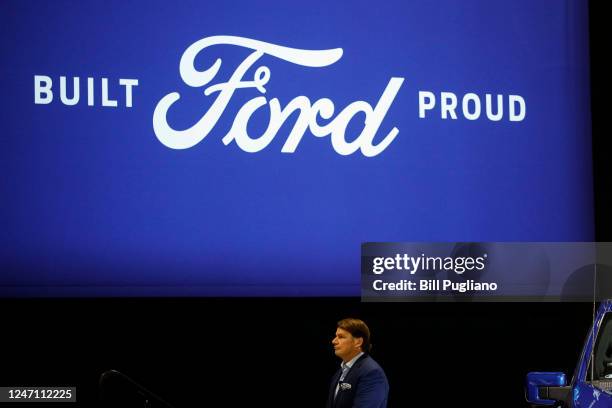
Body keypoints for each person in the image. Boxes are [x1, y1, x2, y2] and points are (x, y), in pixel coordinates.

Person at [326, 318, 389, 408]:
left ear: (358, 342)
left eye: (341, 337)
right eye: (336, 336)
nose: (334, 341)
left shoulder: (372, 373)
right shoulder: (339, 372)